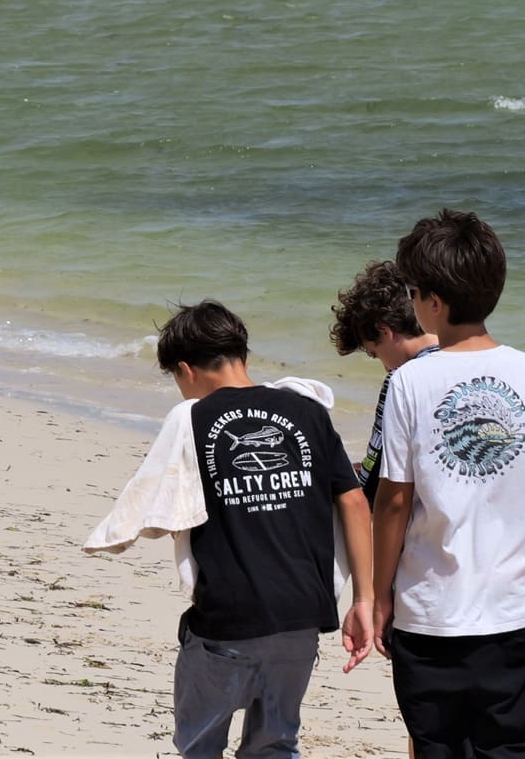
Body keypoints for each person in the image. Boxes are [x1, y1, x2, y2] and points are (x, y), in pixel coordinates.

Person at [86, 300, 374, 758]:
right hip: (302, 615)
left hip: (228, 619)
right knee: (277, 743)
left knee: (200, 744)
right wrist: (364, 598)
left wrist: (110, 535)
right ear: (243, 356)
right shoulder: (310, 411)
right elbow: (355, 501)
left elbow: (149, 496)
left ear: (186, 370)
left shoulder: (190, 419)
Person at [374, 210, 525, 758]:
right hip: (515, 611)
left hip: (430, 613)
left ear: (434, 301)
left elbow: (394, 501)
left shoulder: (409, 381)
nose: (412, 303)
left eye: (414, 292)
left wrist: (379, 596)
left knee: (437, 748)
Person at [331, 260, 440, 505]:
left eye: (374, 353)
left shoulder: (401, 379)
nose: (384, 365)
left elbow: (374, 478)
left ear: (385, 332)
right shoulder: (464, 357)